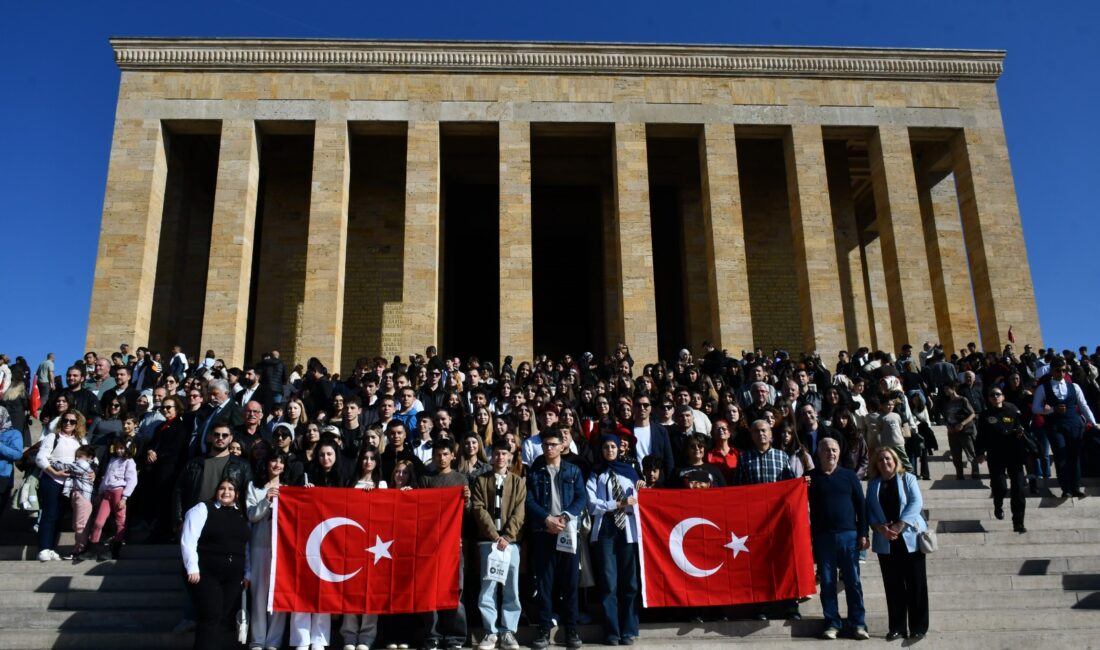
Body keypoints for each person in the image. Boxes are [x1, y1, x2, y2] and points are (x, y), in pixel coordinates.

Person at [526, 428, 587, 650]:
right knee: (544, 583)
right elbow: (529, 500)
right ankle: (544, 628)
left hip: (568, 531)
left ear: (562, 445)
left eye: (553, 444)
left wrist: (565, 516)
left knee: (570, 583)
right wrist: (546, 519)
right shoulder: (535, 471)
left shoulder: (573, 470)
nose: (549, 448)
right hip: (544, 533)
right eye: (545, 445)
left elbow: (581, 497)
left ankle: (571, 628)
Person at [807, 438, 869, 640]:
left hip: (849, 536)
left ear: (839, 453)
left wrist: (864, 533)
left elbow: (861, 505)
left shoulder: (849, 476)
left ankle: (858, 624)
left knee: (853, 582)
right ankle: (832, 623)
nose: (831, 453)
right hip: (823, 538)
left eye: (834, 450)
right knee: (827, 582)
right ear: (819, 453)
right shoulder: (809, 478)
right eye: (826, 450)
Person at [866, 448, 929, 641]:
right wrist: (879, 528)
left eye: (888, 458)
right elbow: (869, 509)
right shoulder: (873, 484)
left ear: (895, 460)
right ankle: (897, 627)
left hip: (910, 538)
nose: (884, 462)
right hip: (886, 539)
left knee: (916, 584)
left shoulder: (907, 478)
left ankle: (918, 626)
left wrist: (899, 525)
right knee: (893, 585)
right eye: (880, 459)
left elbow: (916, 502)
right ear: (876, 464)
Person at [181, 479, 252, 650]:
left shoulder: (241, 514)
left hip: (233, 576)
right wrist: (192, 567)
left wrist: (248, 572)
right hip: (205, 573)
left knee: (220, 617)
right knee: (210, 615)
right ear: (216, 491)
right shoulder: (202, 509)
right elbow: (188, 540)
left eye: (231, 489)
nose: (226, 492)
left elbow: (246, 546)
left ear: (237, 493)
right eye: (222, 488)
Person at [586, 435, 641, 646]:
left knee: (630, 582)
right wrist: (617, 503)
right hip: (606, 529)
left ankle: (629, 629)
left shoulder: (630, 473)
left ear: (619, 449)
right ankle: (612, 631)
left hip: (627, 529)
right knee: (609, 582)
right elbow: (592, 504)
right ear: (601, 450)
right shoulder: (596, 473)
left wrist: (641, 488)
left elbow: (638, 500)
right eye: (606, 447)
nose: (609, 450)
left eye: (613, 447)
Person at [471, 439, 525, 650]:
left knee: (511, 587)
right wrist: (495, 536)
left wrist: (507, 536)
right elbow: (478, 509)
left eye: (504, 453)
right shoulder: (481, 480)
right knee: (488, 587)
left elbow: (519, 512)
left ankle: (508, 631)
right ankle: (491, 632)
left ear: (510, 457)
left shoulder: (518, 482)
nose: (500, 457)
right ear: (491, 456)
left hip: (511, 543)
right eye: (496, 453)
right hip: (489, 541)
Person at [418, 438, 470, 650]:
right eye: (438, 455)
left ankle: (455, 637)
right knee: (429, 591)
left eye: (445, 454)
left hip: (453, 544)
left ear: (453, 456)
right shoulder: (425, 479)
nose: (441, 458)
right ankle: (432, 636)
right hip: (429, 545)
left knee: (454, 590)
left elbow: (467, 513)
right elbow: (419, 511)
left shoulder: (460, 479)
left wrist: (467, 500)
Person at [1031, 357, 1097, 498]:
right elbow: (1035, 408)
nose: (1061, 373)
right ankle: (1066, 488)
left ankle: (1076, 487)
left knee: (1074, 456)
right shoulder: (1043, 387)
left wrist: (1093, 422)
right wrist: (1051, 410)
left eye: (1064, 370)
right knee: (1061, 456)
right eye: (1058, 370)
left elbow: (1083, 405)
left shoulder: (1074, 386)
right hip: (1055, 425)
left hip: (1074, 424)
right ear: (1051, 371)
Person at [341, 446, 386, 650]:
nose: (368, 462)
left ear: (377, 462)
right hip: (352, 542)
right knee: (350, 590)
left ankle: (367, 637)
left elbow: (388, 510)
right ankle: (349, 636)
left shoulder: (382, 484)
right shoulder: (350, 483)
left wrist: (374, 496)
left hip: (376, 545)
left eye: (372, 458)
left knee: (371, 591)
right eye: (365, 458)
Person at [247, 452, 293, 650]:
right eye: (274, 460)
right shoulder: (254, 487)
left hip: (282, 548)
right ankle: (257, 640)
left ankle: (274, 641)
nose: (277, 465)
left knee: (278, 594)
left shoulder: (289, 489)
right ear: (266, 463)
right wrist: (266, 499)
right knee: (259, 595)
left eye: (281, 462)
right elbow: (251, 515)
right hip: (259, 546)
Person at [35, 410, 90, 561]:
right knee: (49, 514)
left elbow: (90, 459)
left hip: (71, 483)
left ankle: (51, 548)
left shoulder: (81, 441)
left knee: (59, 515)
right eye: (65, 420)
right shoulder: (52, 437)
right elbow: (40, 458)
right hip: (51, 480)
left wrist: (92, 472)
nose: (68, 423)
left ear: (77, 424)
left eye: (72, 421)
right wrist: (54, 472)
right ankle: (44, 548)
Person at [977, 388, 1031, 532]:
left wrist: (1020, 432)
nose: (995, 397)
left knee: (1018, 489)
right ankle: (998, 504)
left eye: (998, 394)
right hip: (996, 454)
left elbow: (1022, 426)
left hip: (1014, 454)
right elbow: (981, 435)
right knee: (1000, 486)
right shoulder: (985, 415)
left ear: (1003, 397)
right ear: (989, 399)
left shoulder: (1012, 411)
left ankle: (1018, 522)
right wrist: (980, 452)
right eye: (992, 395)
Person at [87, 435, 139, 560]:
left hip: (119, 493)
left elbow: (132, 480)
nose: (119, 450)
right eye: (117, 448)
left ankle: (115, 550)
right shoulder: (113, 460)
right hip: (107, 493)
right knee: (98, 522)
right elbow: (106, 478)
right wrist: (100, 492)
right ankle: (92, 549)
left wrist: (124, 497)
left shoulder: (130, 462)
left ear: (128, 448)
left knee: (120, 521)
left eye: (122, 448)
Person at [942, 382, 979, 480]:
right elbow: (946, 418)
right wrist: (948, 426)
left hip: (965, 431)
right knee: (956, 455)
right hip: (952, 432)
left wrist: (962, 424)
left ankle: (975, 472)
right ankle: (959, 474)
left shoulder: (962, 400)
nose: (945, 391)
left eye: (947, 388)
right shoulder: (947, 403)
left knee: (971, 453)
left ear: (953, 388)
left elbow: (972, 414)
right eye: (944, 389)